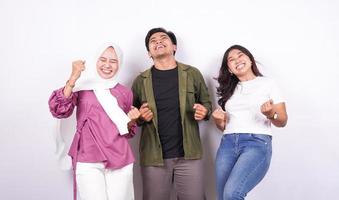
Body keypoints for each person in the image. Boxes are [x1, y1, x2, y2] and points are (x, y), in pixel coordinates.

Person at [48, 43, 139, 200]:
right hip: (87, 155)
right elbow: (59, 110)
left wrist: (132, 120)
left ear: (119, 64)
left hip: (120, 157)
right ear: (95, 60)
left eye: (113, 61)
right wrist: (73, 77)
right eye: (103, 59)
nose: (107, 65)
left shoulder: (124, 92)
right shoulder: (82, 87)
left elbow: (128, 131)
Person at [132, 27, 212, 200]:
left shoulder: (192, 74)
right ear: (149, 53)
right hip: (154, 158)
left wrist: (205, 112)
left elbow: (207, 103)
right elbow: (132, 115)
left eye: (163, 38)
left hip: (189, 155)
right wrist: (140, 117)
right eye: (153, 41)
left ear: (174, 47)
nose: (158, 42)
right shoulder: (140, 81)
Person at [212, 45, 288, 200]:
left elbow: (282, 121)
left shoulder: (268, 84)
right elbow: (225, 127)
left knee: (232, 194)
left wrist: (270, 114)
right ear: (230, 69)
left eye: (240, 55)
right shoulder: (230, 90)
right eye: (231, 60)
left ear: (250, 59)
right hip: (227, 143)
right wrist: (219, 121)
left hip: (256, 143)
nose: (237, 60)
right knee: (222, 197)